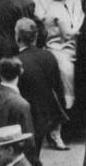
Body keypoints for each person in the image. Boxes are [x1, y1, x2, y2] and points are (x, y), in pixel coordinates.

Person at [16, 17, 66, 151]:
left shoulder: (17, 61)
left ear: (17, 37)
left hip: (25, 117)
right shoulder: (48, 56)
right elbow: (58, 87)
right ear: (35, 36)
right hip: (45, 115)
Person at [42, 0, 83, 113]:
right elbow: (66, 34)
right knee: (67, 92)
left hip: (53, 51)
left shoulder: (51, 7)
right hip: (62, 55)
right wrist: (80, 28)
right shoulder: (60, 11)